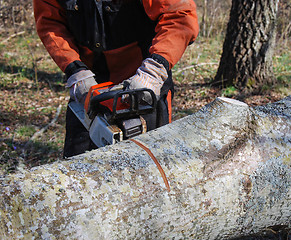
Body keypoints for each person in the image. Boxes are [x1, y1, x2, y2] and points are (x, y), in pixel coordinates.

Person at [33, 0, 199, 157]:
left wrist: (154, 70)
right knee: (77, 163)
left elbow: (180, 15)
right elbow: (50, 22)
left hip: (144, 77)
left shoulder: (150, 74)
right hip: (89, 83)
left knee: (149, 163)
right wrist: (75, 69)